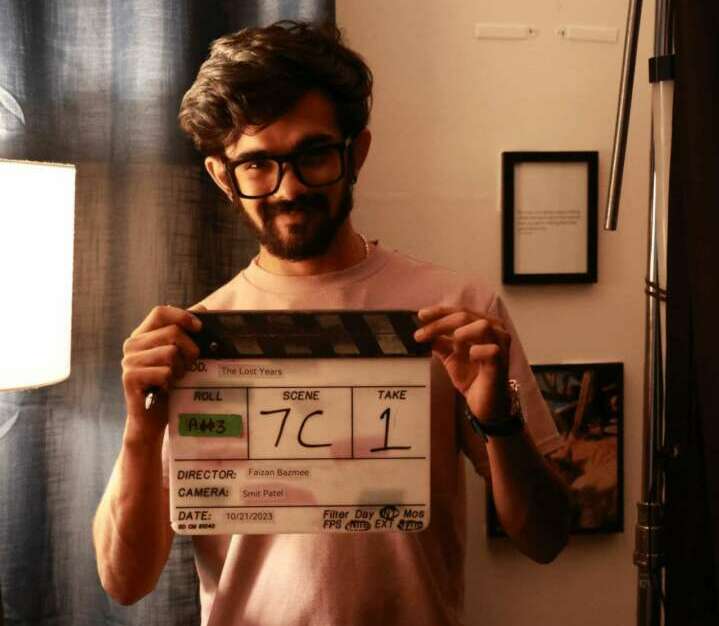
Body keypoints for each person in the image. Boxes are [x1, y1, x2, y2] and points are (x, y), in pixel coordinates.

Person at [93, 20, 570, 626]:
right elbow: (124, 581)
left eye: (313, 154)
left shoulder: (460, 315)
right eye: (257, 164)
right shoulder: (194, 341)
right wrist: (141, 430)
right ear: (222, 176)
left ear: (356, 153)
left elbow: (546, 538)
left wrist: (499, 421)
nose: (288, 188)